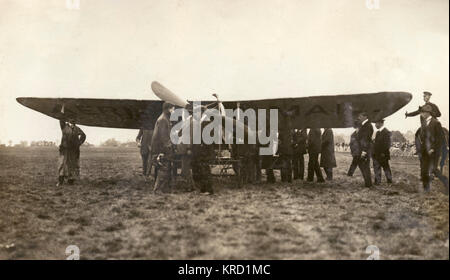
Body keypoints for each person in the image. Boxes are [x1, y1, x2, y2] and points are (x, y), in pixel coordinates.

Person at [418, 105, 447, 192]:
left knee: (434, 169)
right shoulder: (423, 123)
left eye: (422, 112)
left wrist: (433, 148)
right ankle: (426, 189)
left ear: (427, 113)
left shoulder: (436, 123)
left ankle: (447, 183)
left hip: (433, 152)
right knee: (423, 170)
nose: (421, 114)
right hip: (424, 151)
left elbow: (440, 138)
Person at [151, 102, 175, 193]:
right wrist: (167, 149)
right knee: (164, 168)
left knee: (165, 168)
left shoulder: (164, 118)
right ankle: (158, 189)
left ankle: (164, 189)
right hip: (162, 149)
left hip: (161, 148)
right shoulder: (163, 120)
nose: (174, 110)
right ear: (168, 109)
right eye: (173, 108)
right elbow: (164, 137)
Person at [57, 120, 86, 186]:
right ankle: (60, 180)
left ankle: (71, 180)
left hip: (73, 150)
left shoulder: (77, 129)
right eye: (71, 120)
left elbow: (83, 135)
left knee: (72, 165)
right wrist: (62, 111)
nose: (72, 121)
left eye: (73, 120)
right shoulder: (64, 126)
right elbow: (61, 119)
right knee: (62, 164)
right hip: (64, 149)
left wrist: (79, 143)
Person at [372, 119, 392, 185]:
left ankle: (389, 181)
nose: (375, 125)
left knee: (386, 168)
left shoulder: (386, 132)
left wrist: (383, 153)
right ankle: (377, 182)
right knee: (377, 168)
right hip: (377, 154)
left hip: (383, 154)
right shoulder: (378, 132)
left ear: (381, 123)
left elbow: (387, 144)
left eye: (376, 123)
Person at [356, 112, 373, 188]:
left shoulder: (367, 126)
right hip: (363, 149)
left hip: (364, 149)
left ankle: (368, 184)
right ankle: (368, 183)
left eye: (360, 116)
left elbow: (366, 139)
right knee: (363, 165)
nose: (359, 117)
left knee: (365, 166)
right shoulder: (365, 125)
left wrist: (364, 151)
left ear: (365, 116)